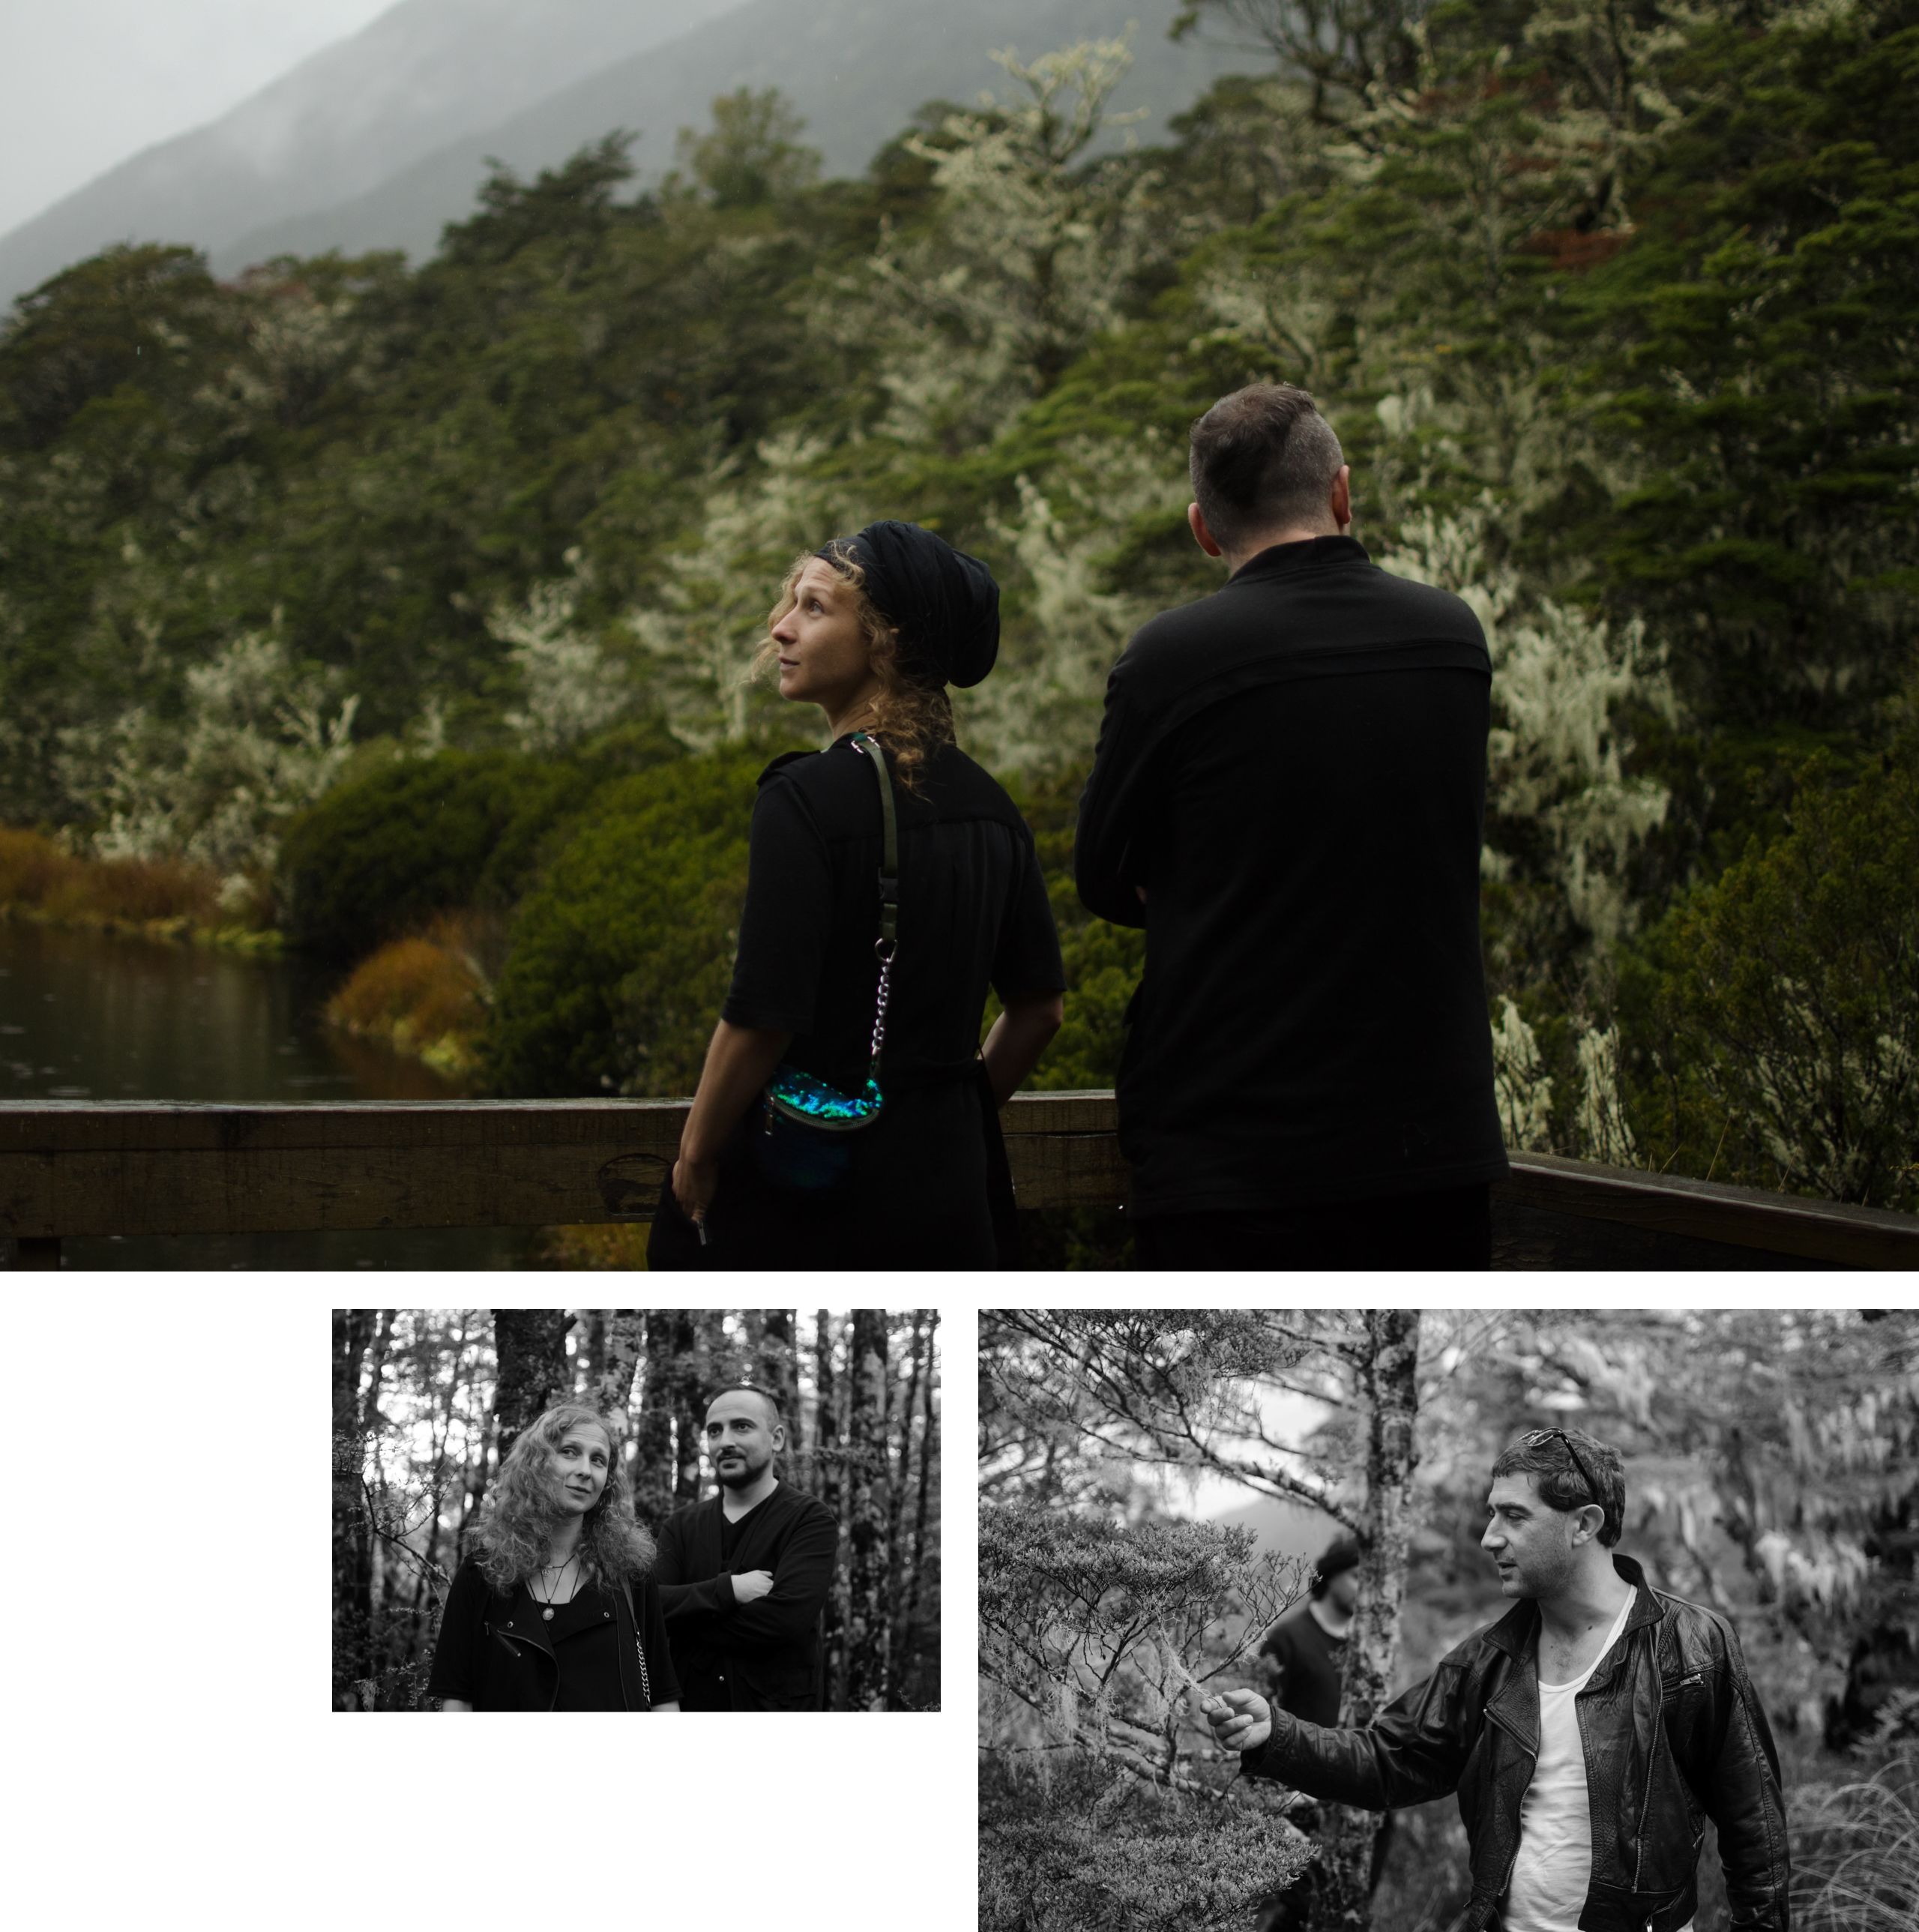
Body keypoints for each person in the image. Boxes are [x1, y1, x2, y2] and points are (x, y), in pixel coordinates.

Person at [1073, 382, 1509, 1269]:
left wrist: (1198, 879)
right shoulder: (1451, 638)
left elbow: (1100, 875)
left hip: (1230, 1149)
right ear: (1342, 494)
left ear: (1204, 528)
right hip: (1430, 1138)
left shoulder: (1170, 659)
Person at [648, 518, 1064, 1270]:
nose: (779, 629)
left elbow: (760, 1018)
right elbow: (1039, 1010)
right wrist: (949, 1115)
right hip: (952, 1201)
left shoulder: (803, 800)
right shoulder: (994, 809)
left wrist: (696, 1153)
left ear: (886, 640)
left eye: (813, 608)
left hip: (814, 1191)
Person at [1202, 1427, 1791, 1932]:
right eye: (1492, 1512)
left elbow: (1755, 1833)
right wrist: (1275, 1735)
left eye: (1514, 1515)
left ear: (1584, 1524)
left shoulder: (1690, 1646)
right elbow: (1388, 1760)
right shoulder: (1489, 1661)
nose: (1489, 1536)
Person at [427, 1400, 680, 1712]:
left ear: (608, 1481)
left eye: (598, 1460)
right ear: (537, 1463)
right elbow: (457, 1698)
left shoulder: (631, 1573)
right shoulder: (483, 1570)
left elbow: (662, 1695)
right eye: (569, 1452)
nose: (585, 1471)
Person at [653, 1386, 840, 1711]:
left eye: (742, 1426)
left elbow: (785, 1623)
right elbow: (651, 1608)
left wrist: (684, 1618)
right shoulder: (681, 1526)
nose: (725, 1441)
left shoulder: (809, 1518)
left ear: (777, 1439)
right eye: (715, 1431)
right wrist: (729, 1590)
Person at [1251, 1537, 1394, 1930]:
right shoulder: (1288, 1638)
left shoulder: (1370, 1642)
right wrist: (1280, 1796)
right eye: (1355, 1575)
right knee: (1306, 1910)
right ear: (1330, 1576)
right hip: (1304, 1799)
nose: (1366, 1587)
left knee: (1353, 1907)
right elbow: (1258, 1721)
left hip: (1363, 1791)